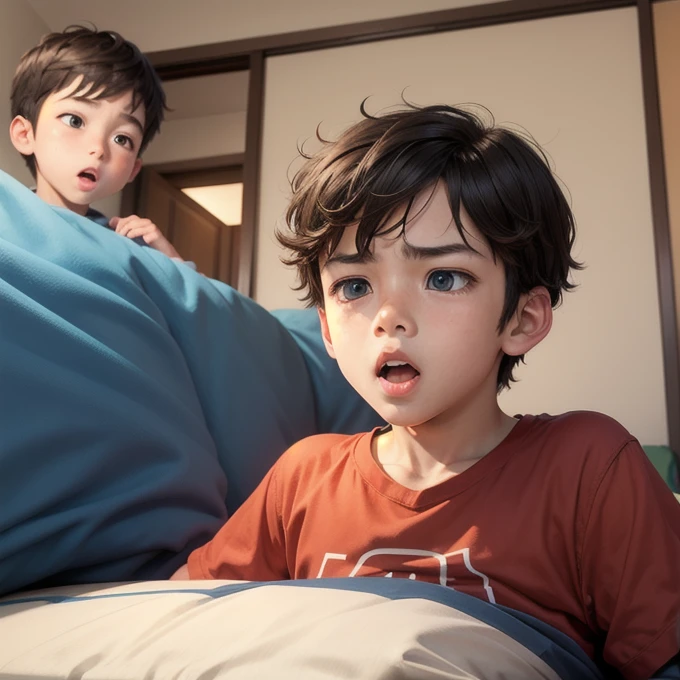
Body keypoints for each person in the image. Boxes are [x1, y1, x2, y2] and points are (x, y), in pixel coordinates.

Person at [171, 103, 680, 679]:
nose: (388, 315)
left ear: (523, 318)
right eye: (355, 285)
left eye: (443, 278)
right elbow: (176, 616)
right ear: (327, 331)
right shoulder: (303, 477)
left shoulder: (589, 464)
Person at [9, 25, 186, 261]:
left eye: (121, 139)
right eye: (75, 120)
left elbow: (207, 297)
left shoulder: (127, 249)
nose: (99, 149)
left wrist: (171, 261)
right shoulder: (7, 216)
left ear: (133, 169)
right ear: (25, 135)